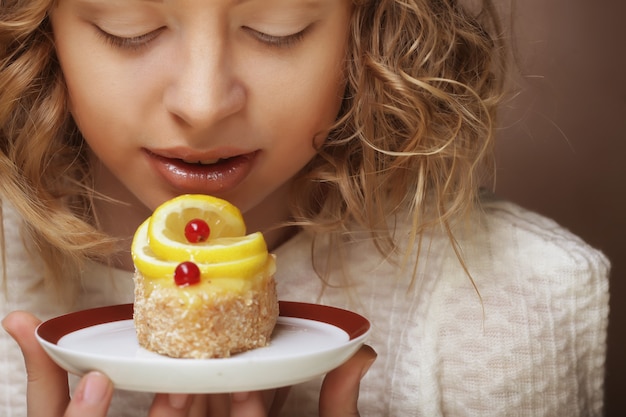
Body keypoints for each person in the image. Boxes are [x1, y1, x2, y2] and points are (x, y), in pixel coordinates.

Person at [0, 0, 610, 416]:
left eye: (278, 26)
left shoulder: (513, 303)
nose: (204, 104)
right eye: (127, 24)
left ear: (370, 24)